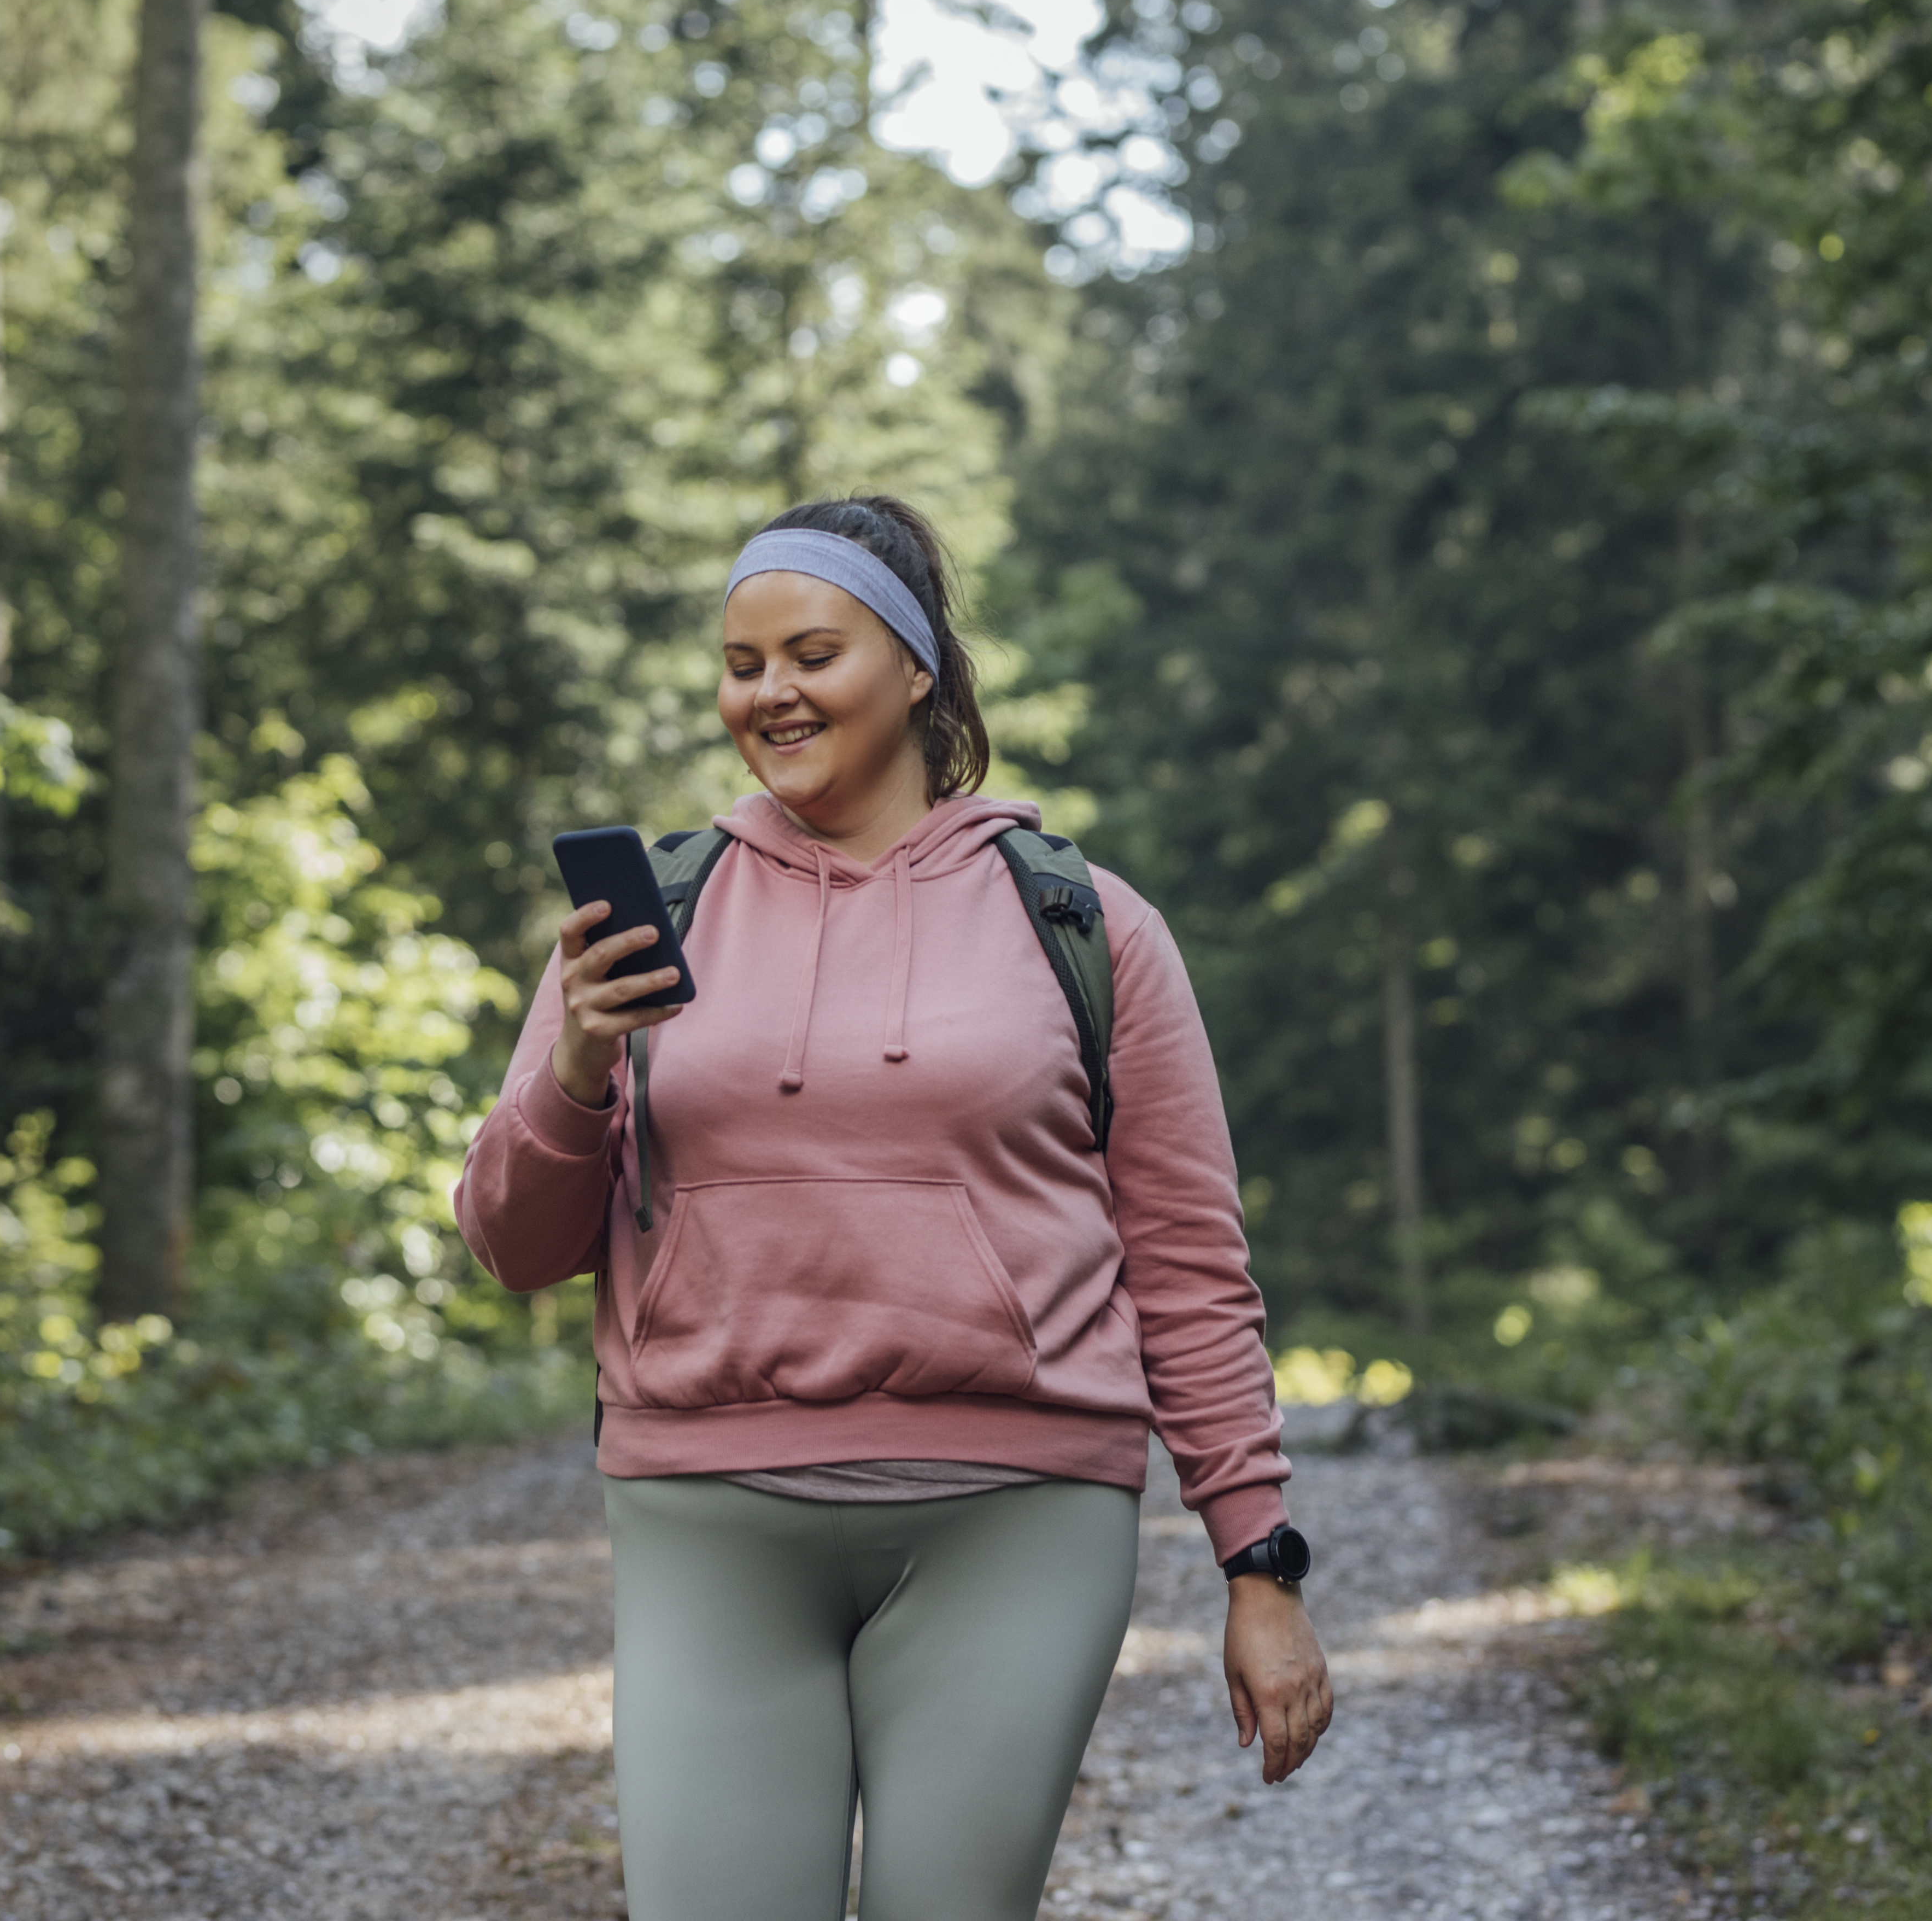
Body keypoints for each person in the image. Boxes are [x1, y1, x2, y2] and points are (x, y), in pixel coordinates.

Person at [456, 493, 1331, 1921]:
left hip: (1016, 1518)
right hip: (708, 1517)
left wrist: (1260, 1563)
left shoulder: (1084, 923)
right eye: (743, 665)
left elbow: (1186, 1263)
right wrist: (577, 1066)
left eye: (812, 652)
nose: (771, 692)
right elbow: (514, 1245)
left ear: (916, 667)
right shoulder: (650, 917)